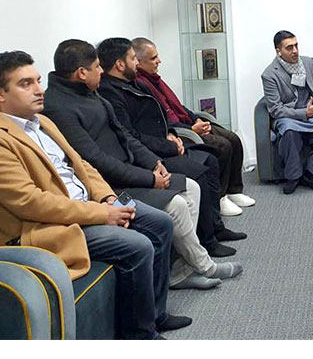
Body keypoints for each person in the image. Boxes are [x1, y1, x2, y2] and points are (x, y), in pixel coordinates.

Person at [0, 51, 189, 339]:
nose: (39, 90)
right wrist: (103, 214)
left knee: (161, 222)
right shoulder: (4, 139)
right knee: (138, 246)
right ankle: (141, 336)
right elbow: (30, 202)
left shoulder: (42, 122)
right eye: (25, 84)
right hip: (53, 225)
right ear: (1, 95)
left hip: (91, 204)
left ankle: (156, 314)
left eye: (38, 81)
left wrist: (106, 198)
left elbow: (81, 164)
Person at [42, 39, 242, 290]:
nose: (101, 71)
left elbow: (124, 135)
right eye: (96, 67)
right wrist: (149, 178)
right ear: (82, 73)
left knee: (192, 187)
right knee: (178, 204)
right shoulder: (59, 107)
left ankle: (180, 270)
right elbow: (95, 160)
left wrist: (154, 163)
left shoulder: (90, 93)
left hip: (133, 169)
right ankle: (203, 265)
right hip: (112, 186)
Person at [96, 37, 246, 258]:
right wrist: (167, 146)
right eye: (132, 59)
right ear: (120, 64)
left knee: (211, 159)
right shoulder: (111, 93)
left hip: (163, 142)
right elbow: (130, 136)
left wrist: (172, 133)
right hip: (149, 155)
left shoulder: (133, 83)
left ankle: (215, 227)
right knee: (200, 171)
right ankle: (208, 240)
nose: (136, 63)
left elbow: (160, 115)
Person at [131, 37, 256, 212]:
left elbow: (177, 106)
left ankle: (234, 189)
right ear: (138, 62)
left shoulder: (155, 79)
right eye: (153, 58)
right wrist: (191, 129)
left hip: (187, 124)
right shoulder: (141, 85)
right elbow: (161, 119)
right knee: (223, 146)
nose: (159, 61)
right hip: (181, 131)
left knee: (233, 138)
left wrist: (195, 118)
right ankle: (220, 197)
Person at [261, 30, 313, 194]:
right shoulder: (269, 74)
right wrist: (304, 113)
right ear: (279, 51)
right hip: (289, 116)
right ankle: (293, 176)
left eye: (296, 45)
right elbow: (276, 109)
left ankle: (311, 173)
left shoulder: (307, 63)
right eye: (289, 47)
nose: (295, 51)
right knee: (289, 131)